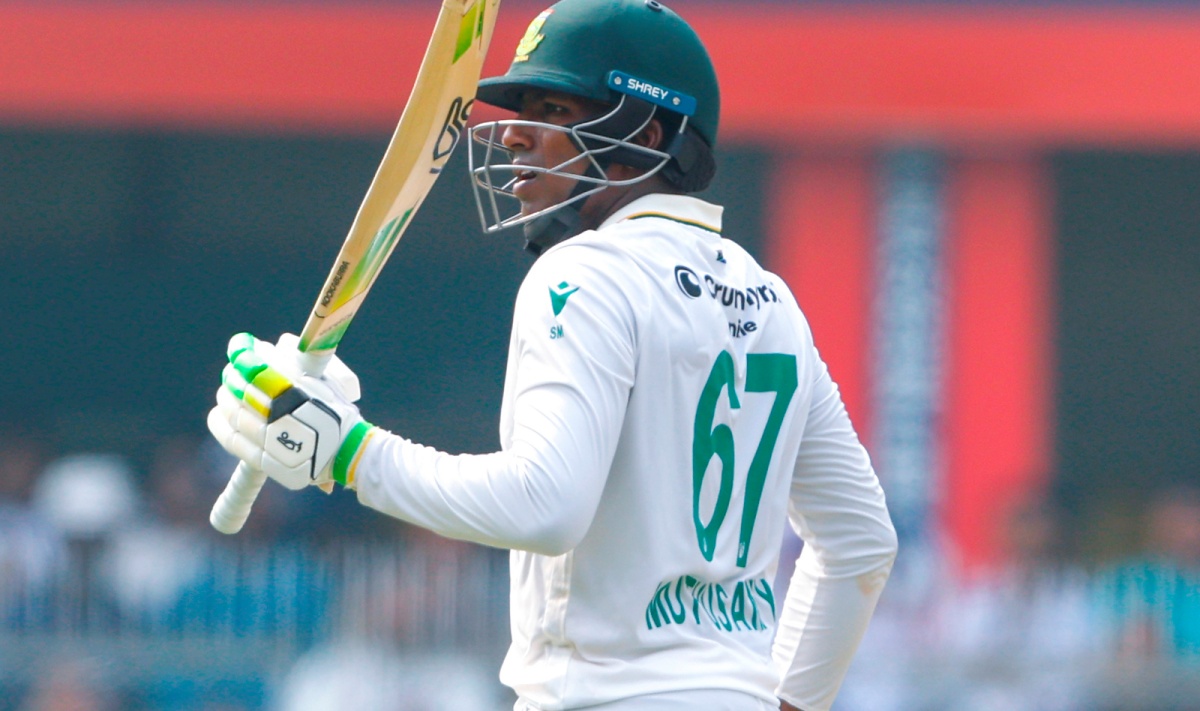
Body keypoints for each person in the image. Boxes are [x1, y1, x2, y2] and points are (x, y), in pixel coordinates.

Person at [206, 1, 898, 709]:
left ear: (645, 135)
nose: (512, 134)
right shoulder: (774, 302)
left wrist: (349, 453)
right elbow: (861, 543)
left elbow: (544, 505)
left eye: (554, 109)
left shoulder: (585, 271)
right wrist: (785, 702)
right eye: (519, 111)